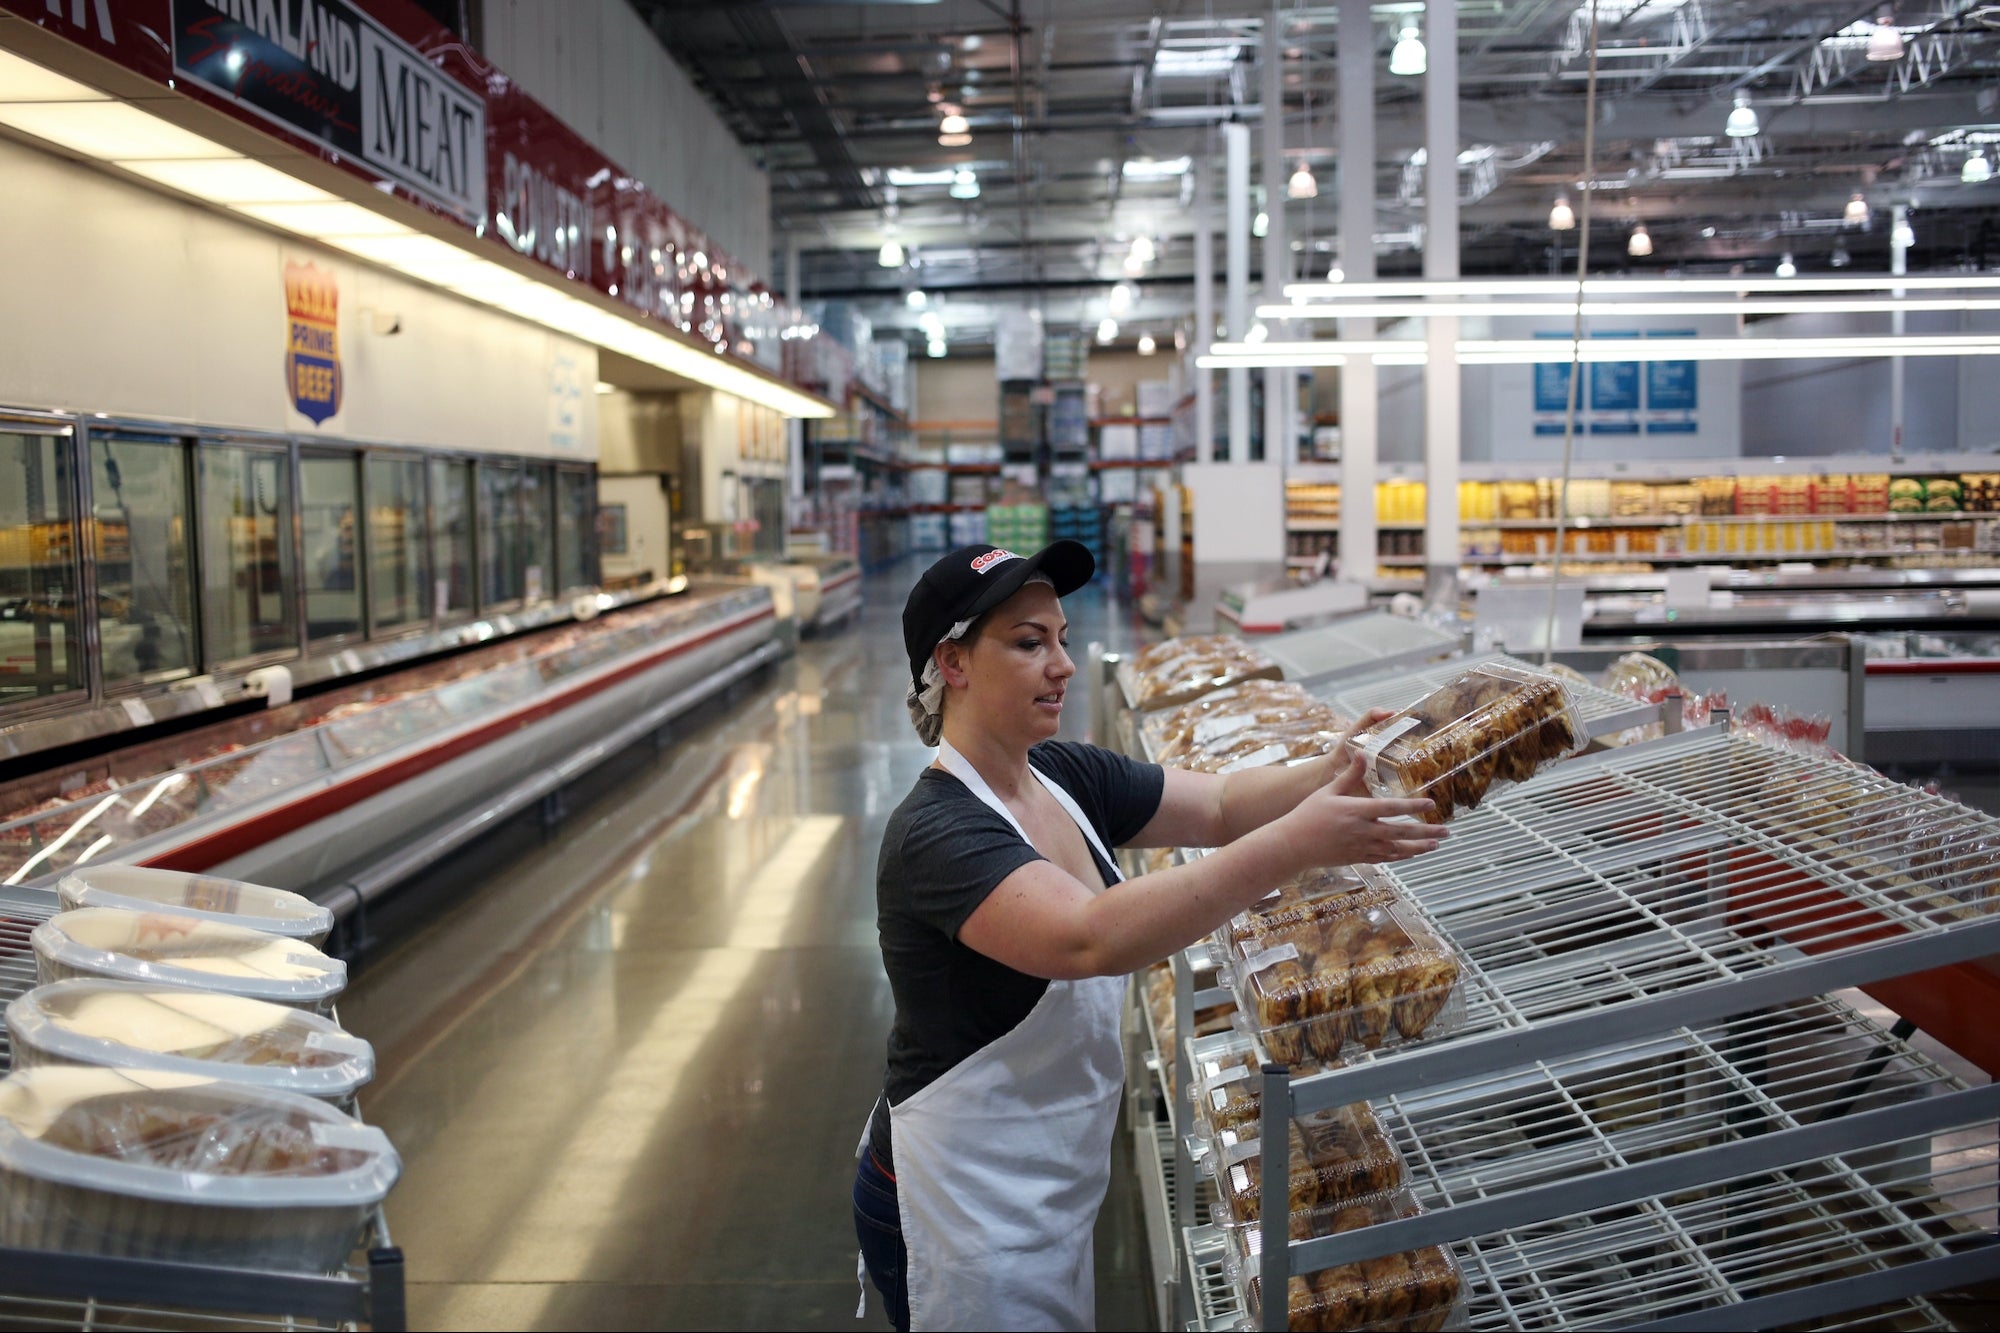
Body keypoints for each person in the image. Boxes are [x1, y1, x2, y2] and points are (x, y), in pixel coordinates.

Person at [853, 541, 1450, 1332]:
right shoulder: (935, 833)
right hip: (960, 1201)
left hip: (1046, 1177)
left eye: (1061, 638)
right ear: (952, 663)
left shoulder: (1062, 774)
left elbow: (1223, 803)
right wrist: (1303, 840)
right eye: (1030, 642)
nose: (1062, 663)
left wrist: (1331, 766)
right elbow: (1089, 938)